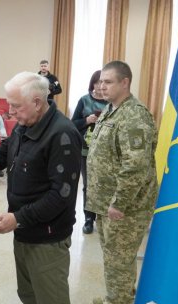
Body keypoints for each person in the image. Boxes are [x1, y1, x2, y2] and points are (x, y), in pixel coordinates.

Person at [0, 71, 82, 304]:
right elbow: (0, 157)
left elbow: (60, 196)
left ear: (37, 102)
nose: (10, 111)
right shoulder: (24, 125)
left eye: (15, 106)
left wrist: (18, 218)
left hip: (47, 239)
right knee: (30, 298)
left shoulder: (63, 134)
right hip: (25, 232)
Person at [86, 61, 158, 304]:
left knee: (120, 259)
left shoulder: (134, 115)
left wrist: (120, 202)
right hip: (106, 202)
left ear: (125, 82)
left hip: (125, 207)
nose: (101, 86)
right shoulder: (111, 109)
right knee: (113, 256)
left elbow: (135, 165)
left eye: (108, 82)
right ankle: (116, 297)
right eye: (100, 82)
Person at [71, 70, 108, 234]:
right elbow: (72, 125)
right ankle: (88, 218)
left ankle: (103, 217)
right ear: (92, 84)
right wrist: (87, 120)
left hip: (107, 152)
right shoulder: (84, 101)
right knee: (88, 185)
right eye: (97, 82)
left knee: (104, 185)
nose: (101, 86)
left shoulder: (112, 102)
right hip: (85, 150)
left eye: (104, 82)